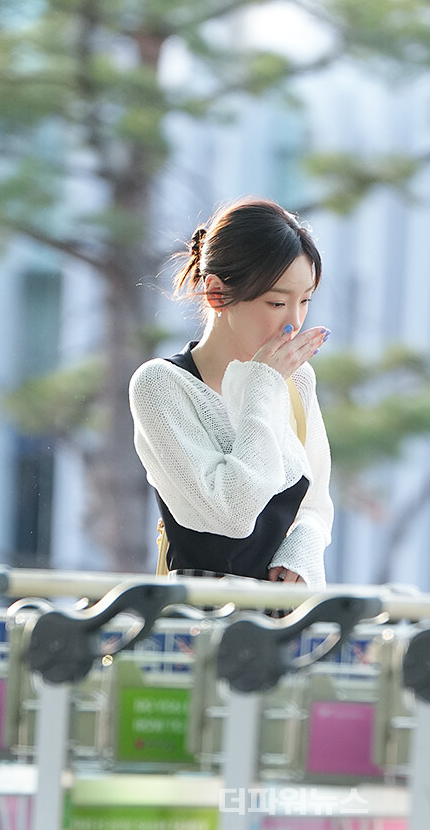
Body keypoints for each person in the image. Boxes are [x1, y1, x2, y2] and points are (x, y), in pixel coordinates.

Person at [128, 197, 333, 586]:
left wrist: (302, 550)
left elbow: (317, 504)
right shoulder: (160, 384)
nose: (295, 320)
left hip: (281, 622)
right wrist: (263, 387)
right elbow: (231, 514)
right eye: (276, 302)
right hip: (197, 625)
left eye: (305, 300)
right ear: (216, 293)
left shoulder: (297, 380)